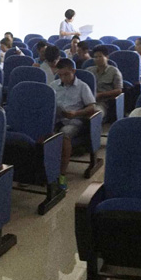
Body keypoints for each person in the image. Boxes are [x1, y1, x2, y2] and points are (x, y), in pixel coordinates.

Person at [50, 59, 96, 190]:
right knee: (42, 134)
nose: (63, 78)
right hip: (56, 119)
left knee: (65, 135)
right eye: (60, 75)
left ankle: (62, 174)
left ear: (73, 71)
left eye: (66, 74)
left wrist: (76, 113)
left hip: (74, 120)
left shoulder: (82, 86)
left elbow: (92, 107)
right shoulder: (53, 85)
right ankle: (44, 171)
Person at [85, 45, 123, 122]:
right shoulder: (89, 71)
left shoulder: (114, 71)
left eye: (100, 56)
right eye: (95, 57)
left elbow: (119, 90)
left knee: (94, 113)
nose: (98, 59)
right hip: (86, 100)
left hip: (103, 102)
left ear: (107, 57)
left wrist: (100, 94)